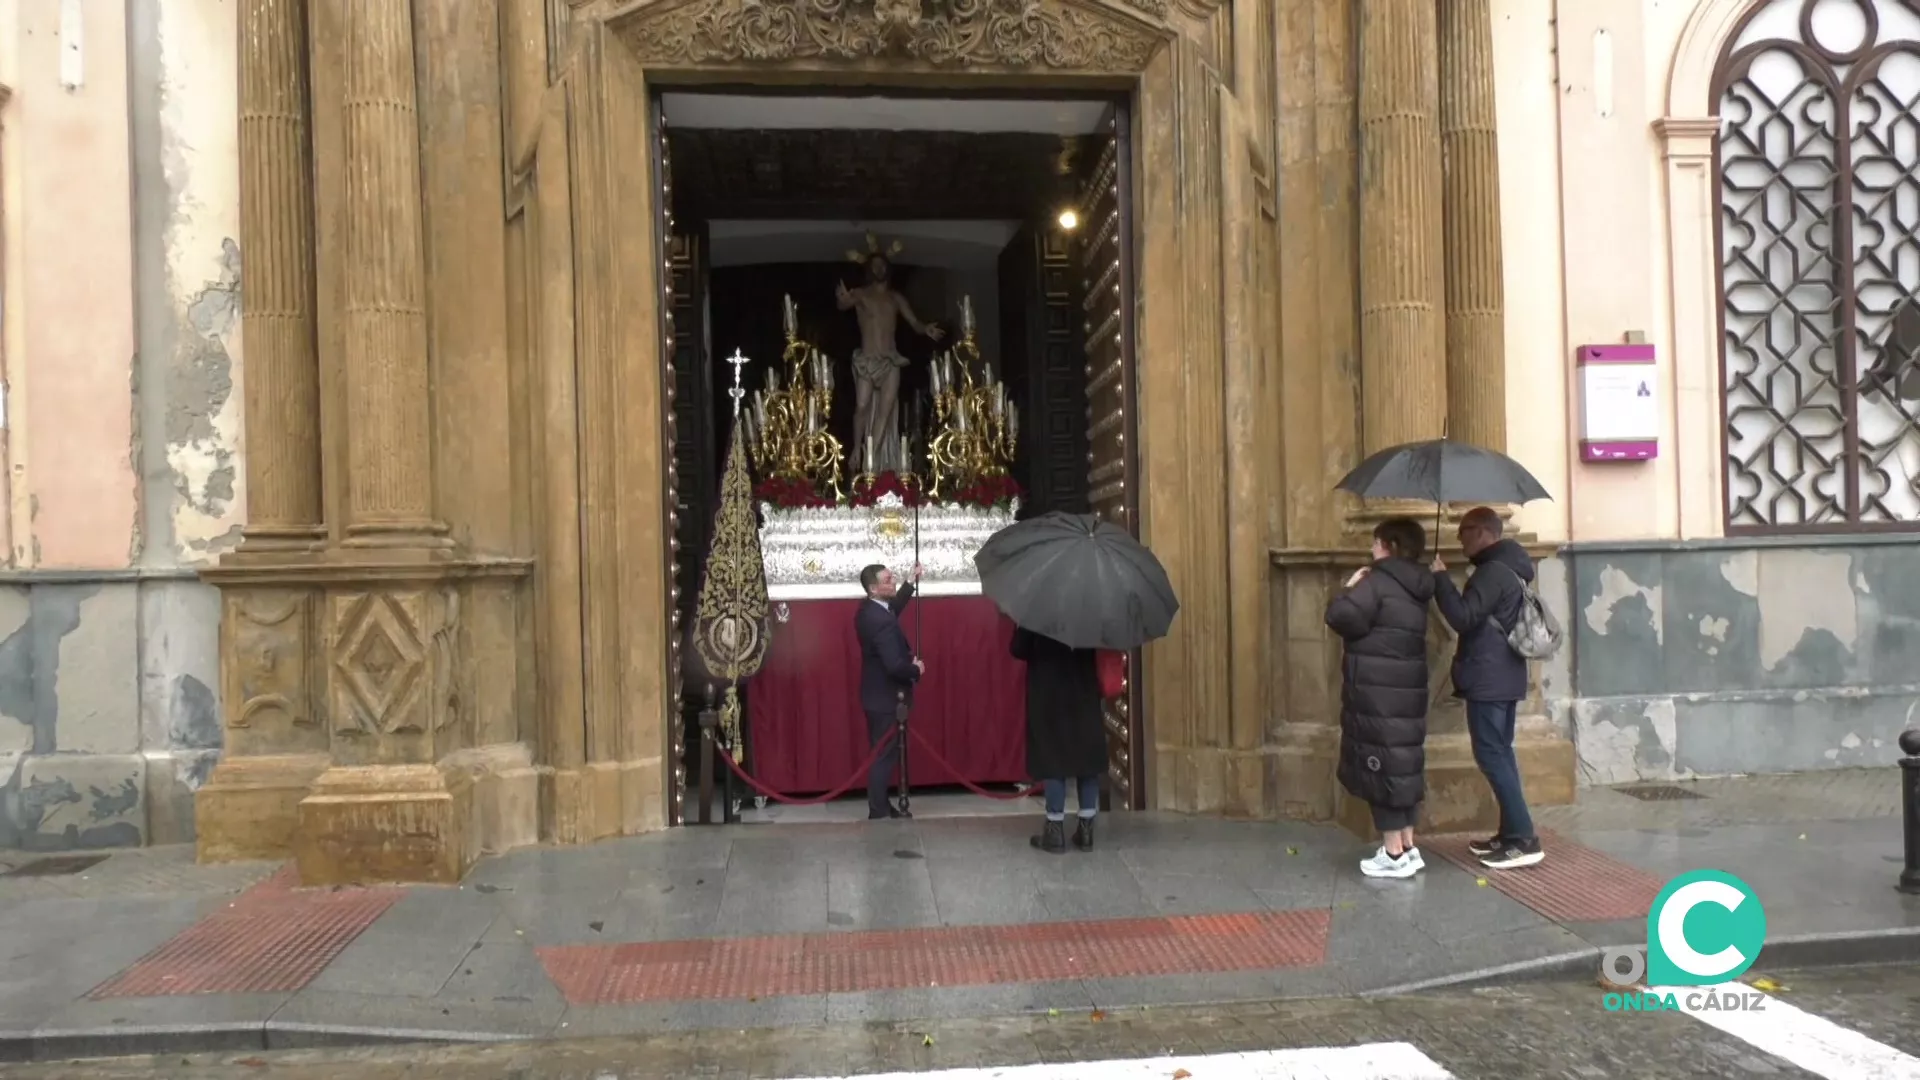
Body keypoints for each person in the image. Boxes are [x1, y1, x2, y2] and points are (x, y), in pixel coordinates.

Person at [1432, 507, 1544, 869]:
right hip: (1503, 675)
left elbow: (1464, 618)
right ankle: (1510, 833)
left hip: (1489, 678)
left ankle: (1524, 839)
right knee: (1500, 753)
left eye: (1463, 531)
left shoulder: (1492, 572)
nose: (1459, 538)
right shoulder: (1510, 568)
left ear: (1483, 532)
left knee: (1492, 755)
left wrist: (1441, 580)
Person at [1324, 517, 1437, 879]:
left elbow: (1341, 617)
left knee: (1381, 766)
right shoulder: (1418, 584)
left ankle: (1391, 854)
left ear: (1389, 545)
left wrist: (1349, 588)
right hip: (1406, 691)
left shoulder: (1378, 581)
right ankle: (1407, 845)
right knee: (1402, 764)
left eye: (1375, 543)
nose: (1372, 550)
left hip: (1377, 691)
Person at [837, 253, 944, 473]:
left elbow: (914, 322)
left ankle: (871, 462)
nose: (878, 269)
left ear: (887, 268)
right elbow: (843, 304)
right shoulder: (860, 294)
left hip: (890, 359)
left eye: (881, 265)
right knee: (862, 405)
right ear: (869, 270)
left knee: (885, 413)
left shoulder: (895, 298)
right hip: (867, 359)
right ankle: (857, 448)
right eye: (874, 266)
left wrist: (926, 329)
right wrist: (841, 297)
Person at [1009, 626, 1107, 854]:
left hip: (1048, 691)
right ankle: (1086, 829)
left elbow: (1018, 648)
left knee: (1053, 758)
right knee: (1087, 759)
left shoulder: (1038, 607)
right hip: (1083, 689)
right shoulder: (1088, 607)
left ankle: (1054, 829)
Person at [854, 562, 923, 820]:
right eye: (887, 579)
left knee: (881, 754)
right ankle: (879, 810)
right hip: (886, 699)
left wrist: (909, 582)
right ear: (873, 588)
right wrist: (915, 669)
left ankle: (880, 804)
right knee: (883, 756)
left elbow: (892, 608)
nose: (892, 581)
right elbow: (894, 665)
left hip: (875, 697)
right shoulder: (879, 621)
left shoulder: (871, 610)